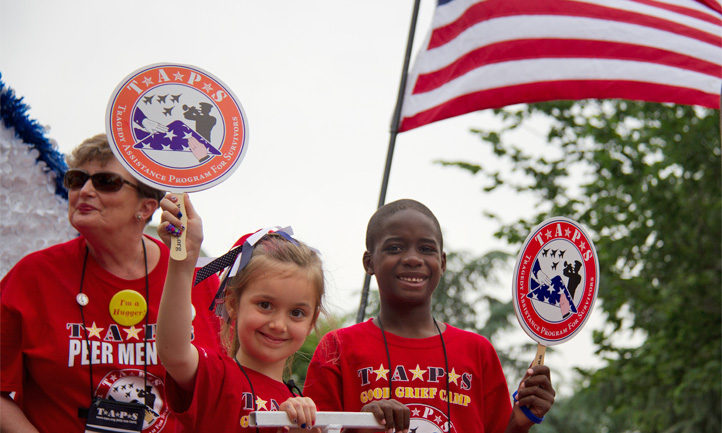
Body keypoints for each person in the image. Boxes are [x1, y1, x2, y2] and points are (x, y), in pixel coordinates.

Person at [0, 134, 222, 433]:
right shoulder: (32, 276)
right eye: (77, 180)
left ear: (145, 207)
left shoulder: (193, 279)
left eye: (106, 182)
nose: (85, 191)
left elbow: (219, 391)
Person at [304, 199, 556, 433]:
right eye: (395, 247)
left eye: (426, 249)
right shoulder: (336, 348)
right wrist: (358, 425)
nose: (413, 258)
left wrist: (521, 420)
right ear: (369, 262)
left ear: (442, 263)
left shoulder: (477, 351)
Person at [156, 194, 326, 432]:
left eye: (297, 312)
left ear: (312, 322)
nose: (278, 324)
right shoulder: (214, 376)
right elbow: (172, 352)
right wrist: (183, 262)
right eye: (265, 305)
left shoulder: (302, 412)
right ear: (233, 304)